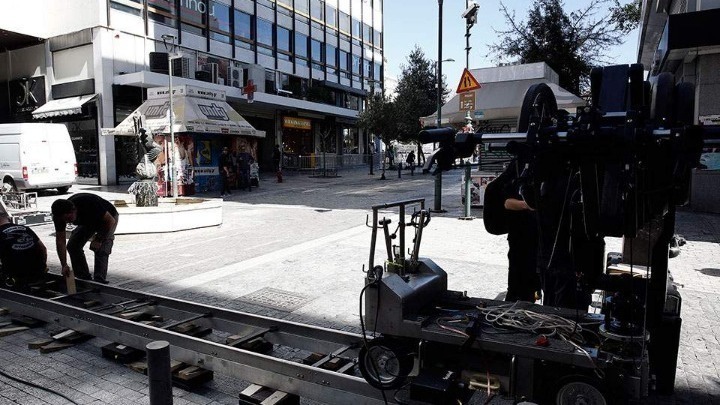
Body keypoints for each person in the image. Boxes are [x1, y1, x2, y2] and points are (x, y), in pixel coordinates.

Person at [51, 193, 119, 284]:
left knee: (102, 248)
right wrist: (64, 265)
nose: (67, 222)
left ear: (74, 210)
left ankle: (99, 281)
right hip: (88, 221)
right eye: (64, 220)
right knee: (73, 246)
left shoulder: (88, 204)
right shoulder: (59, 217)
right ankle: (83, 278)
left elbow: (110, 221)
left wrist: (98, 239)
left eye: (68, 219)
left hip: (108, 218)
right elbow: (60, 241)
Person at [502, 160, 540, 303]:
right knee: (519, 279)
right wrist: (528, 205)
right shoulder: (518, 170)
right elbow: (507, 202)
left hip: (542, 238)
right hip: (520, 237)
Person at [0, 211, 47, 291]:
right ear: (8, 219)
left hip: (16, 277)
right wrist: (42, 267)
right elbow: (43, 248)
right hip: (38, 273)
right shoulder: (26, 229)